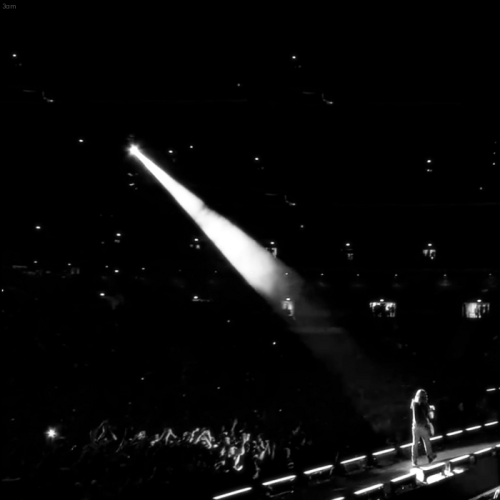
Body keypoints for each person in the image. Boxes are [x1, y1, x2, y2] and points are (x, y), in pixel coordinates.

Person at [410, 389, 437, 466]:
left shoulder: (414, 403)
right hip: (422, 425)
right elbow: (431, 416)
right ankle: (430, 456)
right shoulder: (423, 403)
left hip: (415, 426)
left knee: (414, 443)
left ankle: (414, 460)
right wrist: (431, 409)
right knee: (426, 441)